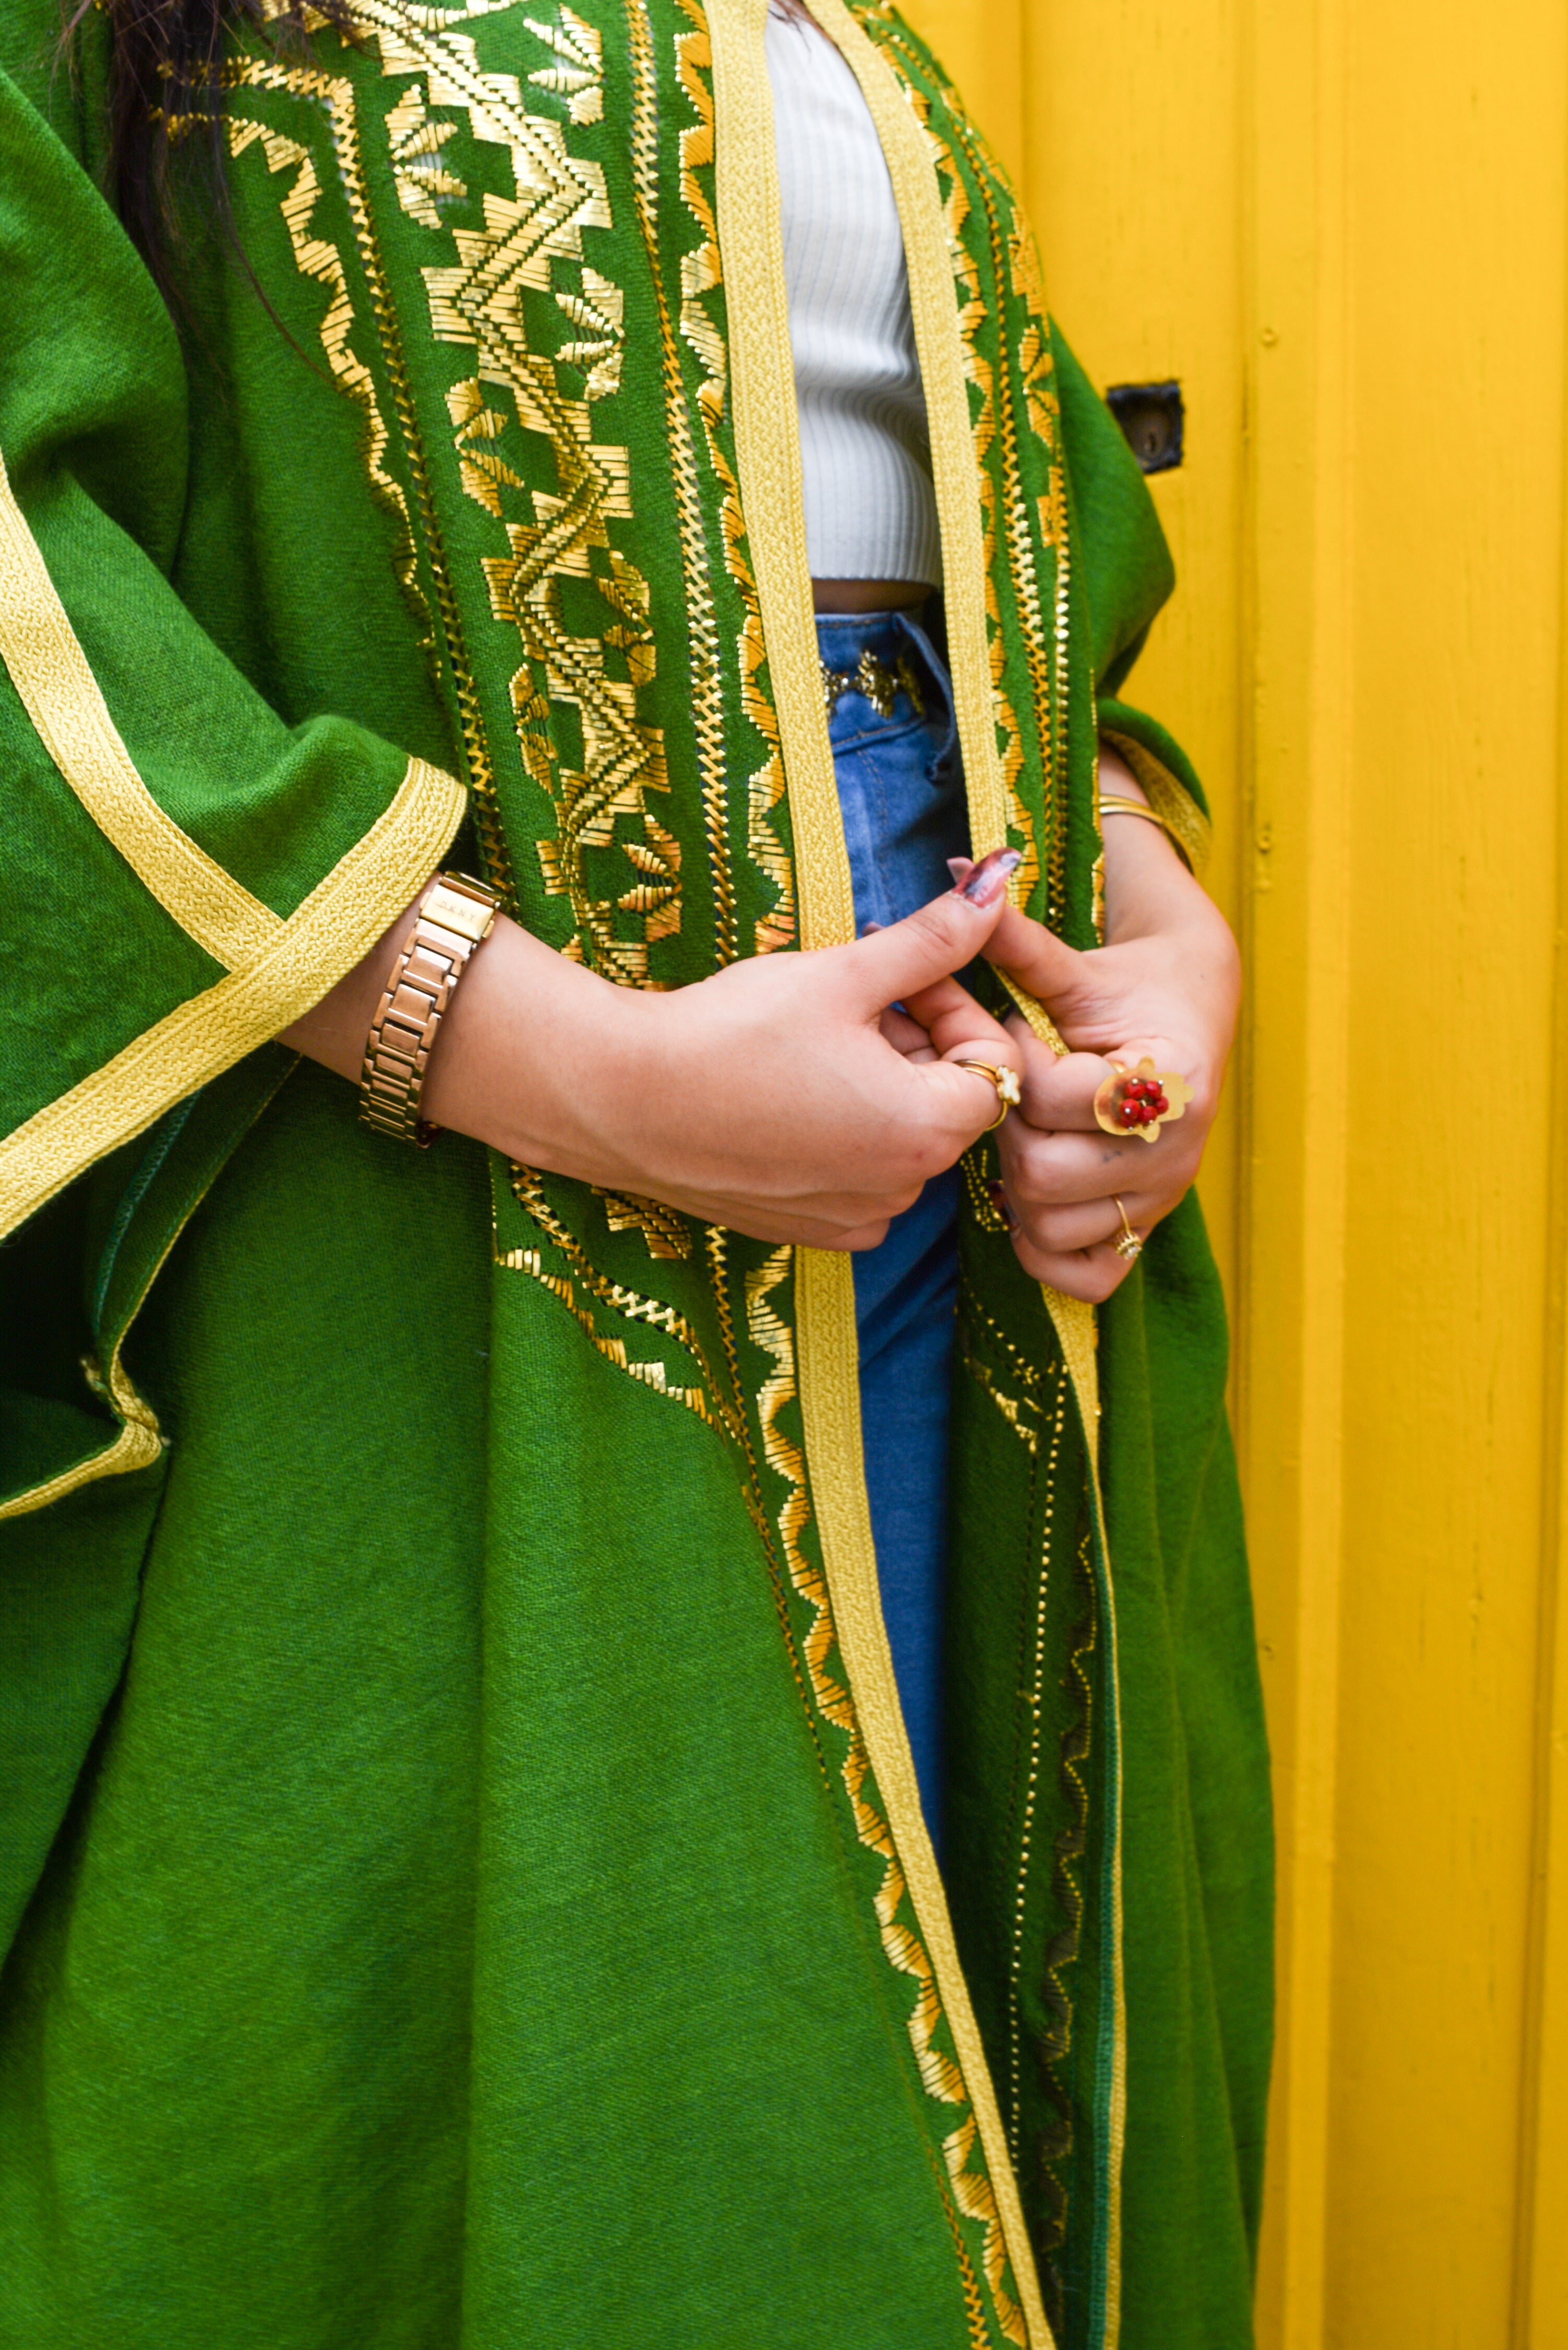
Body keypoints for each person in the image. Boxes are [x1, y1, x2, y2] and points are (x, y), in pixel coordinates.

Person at [0, 0, 1271, 2342]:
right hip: (396, 1214)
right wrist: (551, 1058)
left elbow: (1000, 578)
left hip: (960, 1231)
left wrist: (1161, 927)